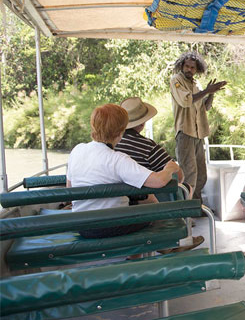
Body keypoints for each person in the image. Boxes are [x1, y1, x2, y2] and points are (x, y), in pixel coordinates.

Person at [66, 104, 179, 239]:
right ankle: (162, 249)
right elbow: (159, 181)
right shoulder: (117, 159)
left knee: (141, 203)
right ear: (121, 132)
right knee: (153, 210)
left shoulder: (77, 150)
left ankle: (141, 254)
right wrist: (170, 168)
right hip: (111, 225)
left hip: (81, 226)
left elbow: (69, 187)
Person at [116, 97, 203, 253]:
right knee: (183, 187)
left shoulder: (110, 146)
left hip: (115, 204)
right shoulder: (148, 146)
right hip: (140, 202)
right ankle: (176, 238)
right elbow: (179, 175)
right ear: (142, 123)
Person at [170, 51, 227, 201]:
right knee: (189, 174)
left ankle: (196, 206)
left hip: (198, 135)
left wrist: (211, 93)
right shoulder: (176, 80)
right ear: (181, 66)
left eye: (192, 67)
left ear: (197, 69)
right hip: (185, 133)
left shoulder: (196, 84)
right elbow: (186, 101)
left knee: (201, 175)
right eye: (187, 66)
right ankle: (187, 212)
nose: (189, 69)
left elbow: (205, 108)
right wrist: (207, 90)